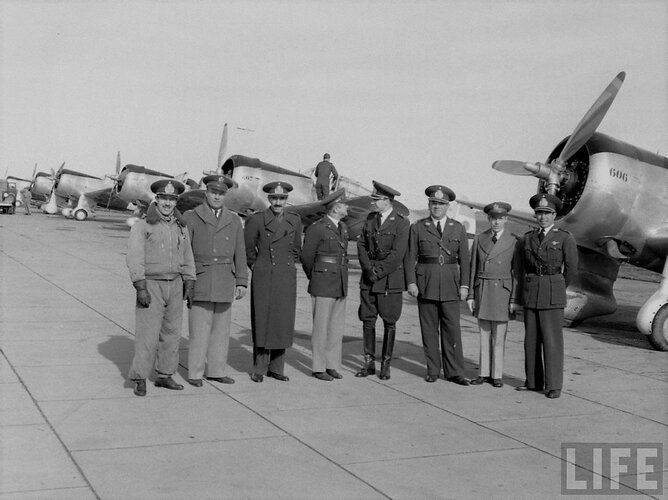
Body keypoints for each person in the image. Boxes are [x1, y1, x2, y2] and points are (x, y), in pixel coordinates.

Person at [126, 179, 196, 397]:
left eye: (172, 199)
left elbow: (188, 256)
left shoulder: (180, 226)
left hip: (175, 284)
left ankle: (165, 375)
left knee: (172, 334)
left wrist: (190, 281)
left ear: (176, 202)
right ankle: (139, 377)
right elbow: (135, 257)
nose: (168, 203)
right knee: (148, 335)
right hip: (152, 284)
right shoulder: (142, 226)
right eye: (164, 198)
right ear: (156, 199)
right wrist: (140, 286)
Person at [181, 175, 248, 387]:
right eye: (213, 192)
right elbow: (185, 251)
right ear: (206, 193)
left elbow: (240, 251)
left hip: (225, 279)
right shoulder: (192, 217)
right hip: (201, 278)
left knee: (221, 330)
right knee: (199, 330)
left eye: (221, 193)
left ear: (225, 195)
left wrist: (241, 281)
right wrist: (187, 280)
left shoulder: (234, 219)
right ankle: (195, 373)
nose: (217, 196)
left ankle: (217, 371)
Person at [405, 185, 470, 385]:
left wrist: (464, 286)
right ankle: (433, 369)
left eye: (441, 204)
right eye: (434, 203)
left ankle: (455, 372)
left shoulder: (457, 228)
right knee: (429, 329)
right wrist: (411, 282)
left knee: (452, 329)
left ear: (447, 206)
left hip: (451, 283)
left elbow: (465, 261)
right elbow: (409, 258)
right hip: (426, 283)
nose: (437, 207)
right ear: (429, 204)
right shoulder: (418, 227)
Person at [515, 193, 578, 399]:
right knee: (531, 340)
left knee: (552, 341)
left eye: (547, 213)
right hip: (532, 292)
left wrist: (557, 285)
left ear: (554, 215)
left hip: (553, 293)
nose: (543, 217)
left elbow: (570, 269)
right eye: (539, 213)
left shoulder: (564, 238)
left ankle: (554, 385)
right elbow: (521, 269)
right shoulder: (528, 238)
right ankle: (533, 381)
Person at [244, 181, 302, 383]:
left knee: (282, 321)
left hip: (285, 275)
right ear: (269, 199)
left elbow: (296, 249)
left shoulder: (294, 220)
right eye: (275, 198)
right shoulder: (257, 220)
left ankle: (277, 368)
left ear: (287, 200)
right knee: (263, 320)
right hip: (264, 275)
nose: (278, 202)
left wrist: (284, 268)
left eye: (283, 198)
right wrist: (260, 267)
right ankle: (259, 368)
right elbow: (248, 250)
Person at [355, 181, 409, 380]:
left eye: (377, 200)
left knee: (389, 322)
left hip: (389, 280)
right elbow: (361, 244)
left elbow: (397, 255)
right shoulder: (370, 219)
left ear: (387, 201)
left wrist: (376, 272)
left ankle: (385, 364)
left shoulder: (401, 222)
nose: (373, 203)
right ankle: (368, 363)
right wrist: (368, 269)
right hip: (369, 278)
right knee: (368, 321)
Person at [467, 202, 519, 388]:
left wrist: (514, 299)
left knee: (499, 336)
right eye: (493, 218)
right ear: (489, 219)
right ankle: (483, 373)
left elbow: (517, 273)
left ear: (506, 219)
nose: (496, 222)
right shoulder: (480, 239)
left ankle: (497, 375)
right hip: (484, 288)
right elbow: (473, 268)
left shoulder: (513, 240)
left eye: (500, 218)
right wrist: (471, 295)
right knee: (484, 333)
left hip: (502, 291)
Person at [301, 189, 349, 381]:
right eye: (345, 204)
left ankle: (332, 365)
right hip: (322, 282)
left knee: (336, 328)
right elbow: (306, 256)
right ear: (336, 208)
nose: (348, 207)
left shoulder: (342, 227)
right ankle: (318, 367)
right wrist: (316, 276)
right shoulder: (317, 227)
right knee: (321, 328)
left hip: (339, 282)